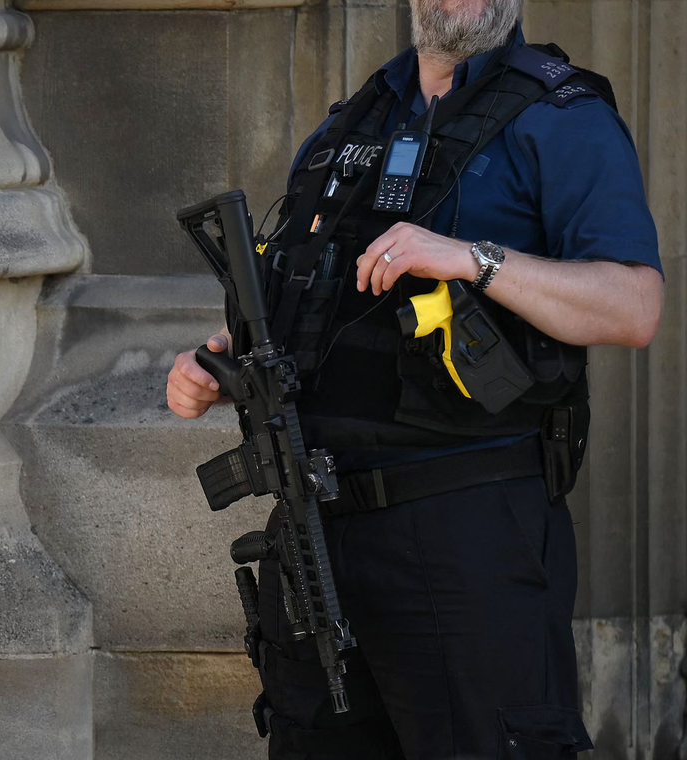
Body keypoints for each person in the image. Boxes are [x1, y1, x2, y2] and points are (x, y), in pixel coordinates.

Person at [165, 0, 663, 756]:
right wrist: (215, 363)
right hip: (317, 535)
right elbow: (308, 309)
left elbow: (634, 307)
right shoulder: (347, 126)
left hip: (467, 535)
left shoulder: (563, 115)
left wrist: (473, 259)